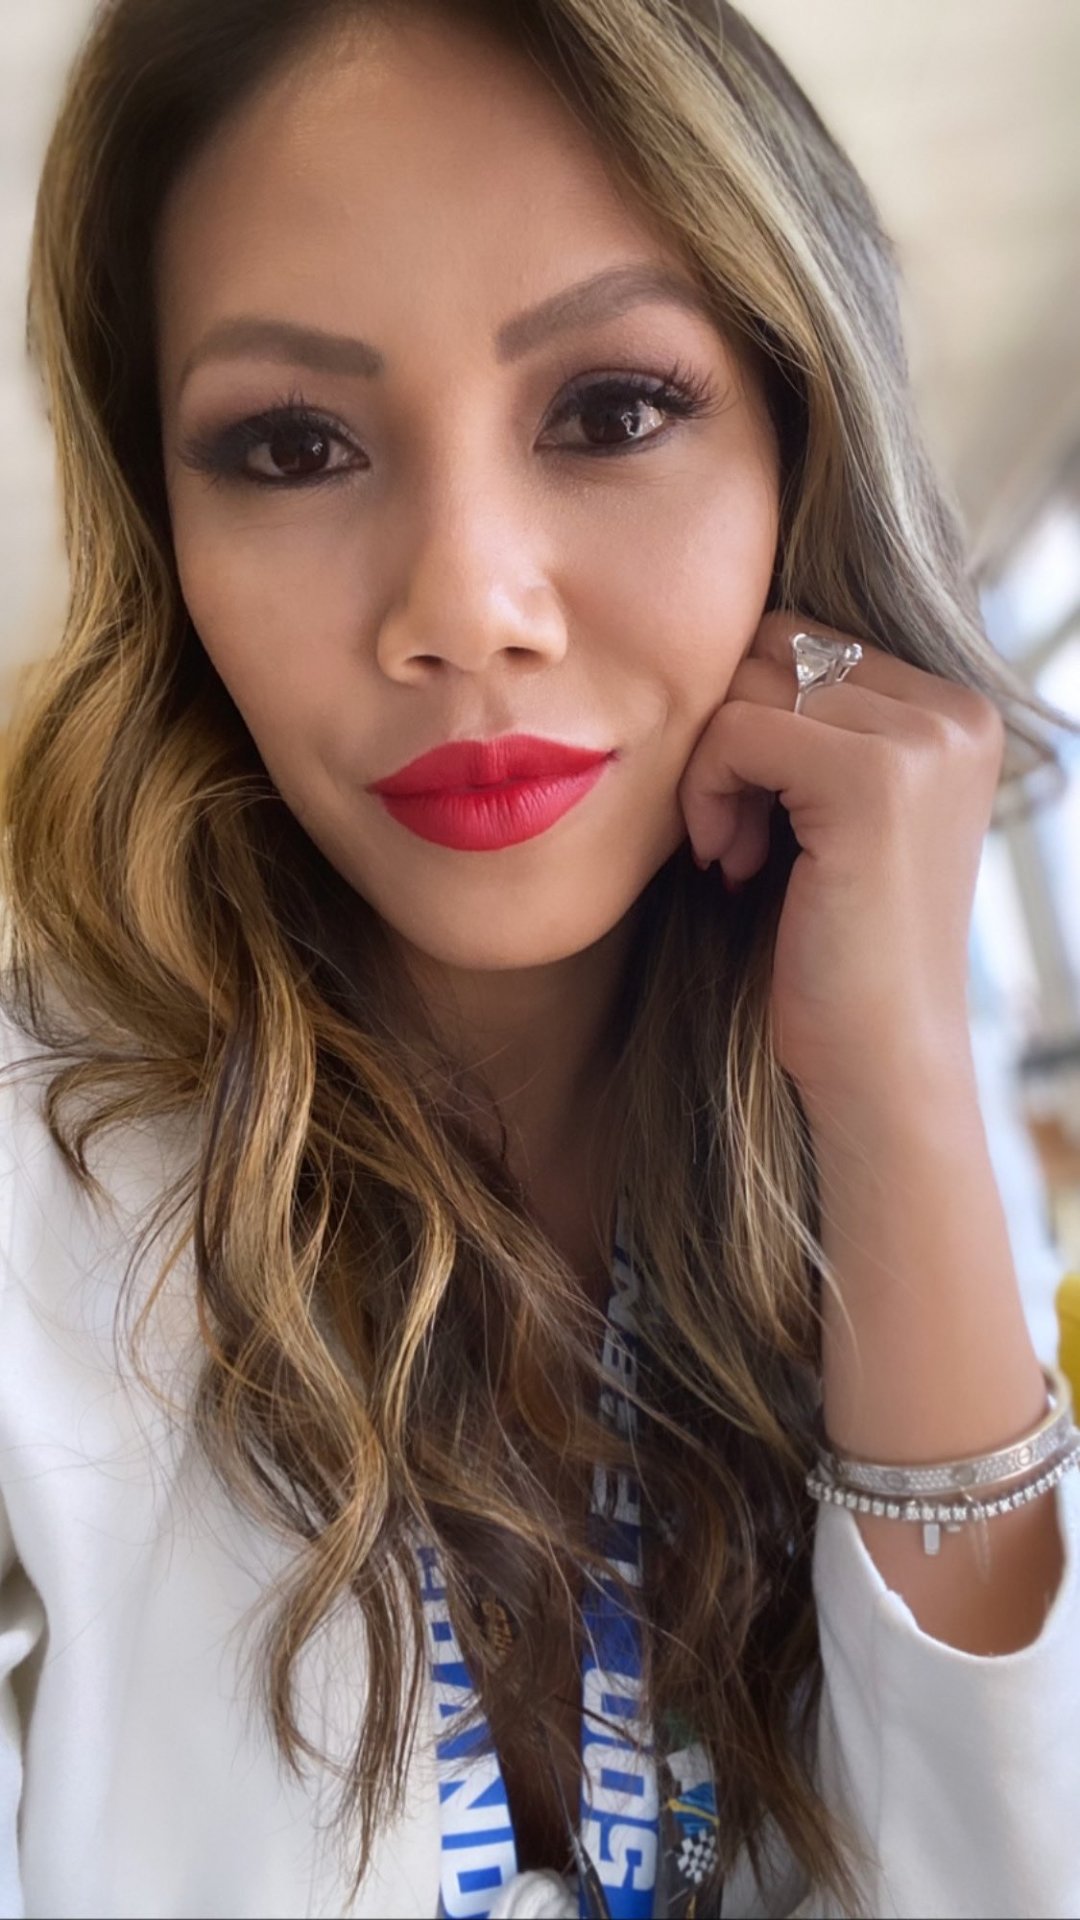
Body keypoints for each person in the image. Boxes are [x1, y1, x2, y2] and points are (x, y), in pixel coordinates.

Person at [1, 1, 1079, 1914]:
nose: (467, 606)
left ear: (802, 444)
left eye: (612, 411)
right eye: (293, 443)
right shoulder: (36, 1159)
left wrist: (900, 1084)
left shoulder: (883, 1046)